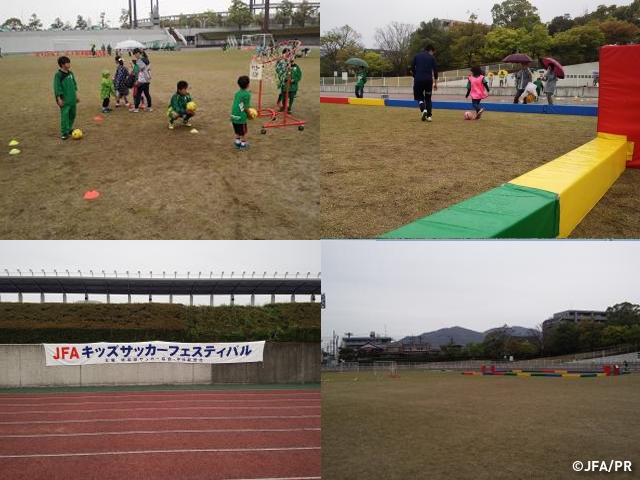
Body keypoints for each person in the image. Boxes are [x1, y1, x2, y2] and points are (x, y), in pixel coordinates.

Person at [53, 56, 79, 140]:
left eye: (69, 62)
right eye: (67, 63)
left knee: (73, 114)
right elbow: (56, 87)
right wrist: (59, 98)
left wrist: (76, 96)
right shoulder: (58, 75)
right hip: (64, 100)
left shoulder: (70, 73)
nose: (69, 64)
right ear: (62, 64)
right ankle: (64, 132)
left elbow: (74, 85)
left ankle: (69, 129)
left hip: (72, 99)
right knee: (65, 116)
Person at [411, 44, 438, 122]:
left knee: (419, 97)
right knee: (428, 98)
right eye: (433, 52)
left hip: (418, 80)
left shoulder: (416, 56)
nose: (433, 54)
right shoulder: (432, 58)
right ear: (431, 50)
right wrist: (436, 83)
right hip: (428, 80)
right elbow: (435, 71)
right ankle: (429, 116)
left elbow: (412, 68)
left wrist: (415, 76)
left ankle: (423, 109)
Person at [230, 75, 252, 150]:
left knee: (237, 131)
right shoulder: (247, 94)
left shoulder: (237, 93)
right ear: (248, 85)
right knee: (242, 132)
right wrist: (249, 114)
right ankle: (243, 145)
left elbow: (239, 102)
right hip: (241, 116)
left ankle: (237, 143)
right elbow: (245, 107)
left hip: (233, 115)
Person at [131, 48, 152, 113]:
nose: (135, 56)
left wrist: (133, 65)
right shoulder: (146, 59)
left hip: (142, 80)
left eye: (135, 54)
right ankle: (149, 107)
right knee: (147, 94)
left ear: (138, 53)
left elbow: (138, 70)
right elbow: (148, 68)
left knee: (138, 94)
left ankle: (136, 108)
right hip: (147, 80)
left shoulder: (139, 60)